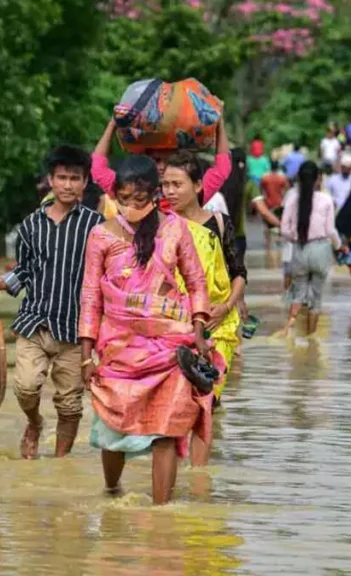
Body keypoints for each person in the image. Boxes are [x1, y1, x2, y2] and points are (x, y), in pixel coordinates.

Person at [79, 155, 213, 505]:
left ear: (155, 195)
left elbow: (196, 282)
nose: (132, 207)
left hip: (170, 348)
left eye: (140, 199)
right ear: (115, 197)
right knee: (113, 429)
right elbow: (91, 296)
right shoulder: (101, 236)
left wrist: (199, 331)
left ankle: (161, 514)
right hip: (118, 350)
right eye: (124, 199)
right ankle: (111, 491)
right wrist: (85, 355)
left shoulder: (175, 229)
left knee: (166, 431)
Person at [0, 146, 105, 459]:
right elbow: (24, 270)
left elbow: (108, 275)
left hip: (77, 330)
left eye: (74, 178)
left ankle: (61, 464)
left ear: (85, 182)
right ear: (50, 180)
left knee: (70, 404)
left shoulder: (97, 227)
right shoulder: (30, 225)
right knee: (25, 387)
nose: (67, 184)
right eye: (61, 177)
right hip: (35, 322)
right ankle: (34, 422)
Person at [161, 151, 246, 462]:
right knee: (175, 404)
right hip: (174, 327)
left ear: (198, 186)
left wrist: (227, 306)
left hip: (217, 328)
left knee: (206, 402)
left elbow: (239, 274)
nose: (169, 191)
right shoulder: (160, 228)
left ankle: (199, 477)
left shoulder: (218, 224)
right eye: (165, 184)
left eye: (176, 184)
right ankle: (174, 470)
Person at [91, 117, 231, 205]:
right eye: (157, 160)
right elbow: (98, 169)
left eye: (169, 161)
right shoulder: (132, 191)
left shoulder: (191, 194)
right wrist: (112, 124)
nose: (162, 167)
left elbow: (222, 168)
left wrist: (220, 125)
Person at [279, 161, 344, 338]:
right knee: (316, 298)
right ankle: (310, 340)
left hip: (299, 249)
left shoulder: (292, 199)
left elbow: (284, 230)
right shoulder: (326, 200)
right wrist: (339, 246)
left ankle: (289, 332)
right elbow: (331, 230)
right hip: (320, 249)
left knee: (297, 294)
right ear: (318, 179)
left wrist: (296, 236)